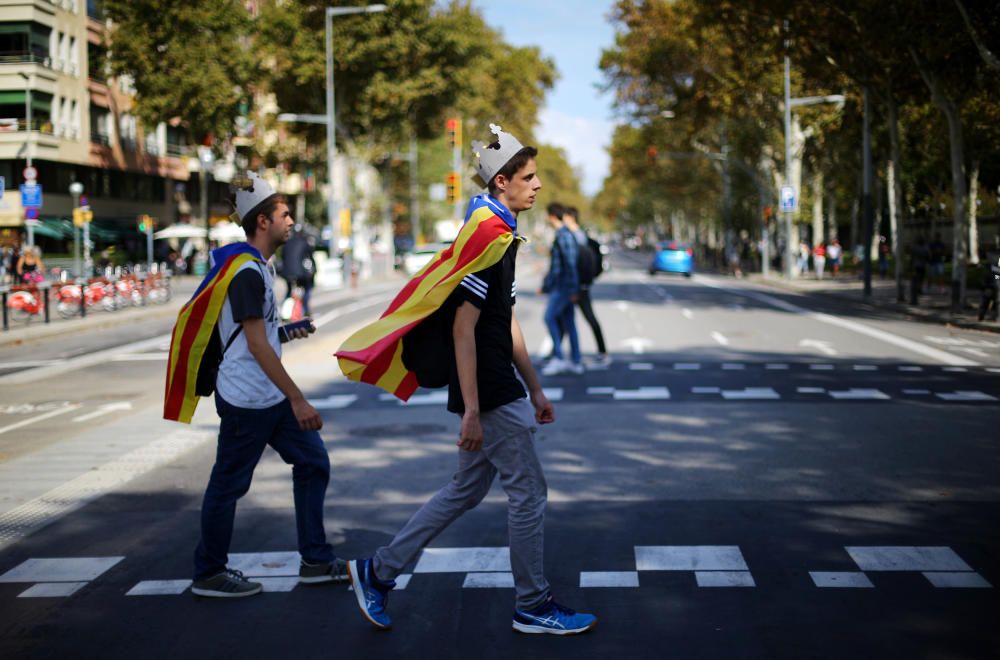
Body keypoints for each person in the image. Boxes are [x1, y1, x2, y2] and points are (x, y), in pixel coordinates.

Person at [339, 123, 597, 636]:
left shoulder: (499, 232)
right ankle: (532, 603)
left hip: (495, 381)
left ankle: (379, 570)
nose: (538, 185)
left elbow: (507, 319)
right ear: (501, 182)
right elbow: (464, 328)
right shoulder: (486, 237)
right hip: (488, 387)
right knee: (529, 492)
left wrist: (537, 386)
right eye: (528, 177)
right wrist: (475, 408)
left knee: (465, 489)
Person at [164, 171, 345, 597]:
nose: (290, 223)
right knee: (228, 484)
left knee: (313, 463)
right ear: (262, 222)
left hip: (265, 394)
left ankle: (315, 560)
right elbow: (254, 346)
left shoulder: (257, 268)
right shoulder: (246, 271)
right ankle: (208, 572)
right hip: (248, 398)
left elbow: (253, 336)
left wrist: (286, 330)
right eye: (284, 215)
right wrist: (298, 399)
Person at [540, 203, 583, 376]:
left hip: (563, 287)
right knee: (569, 323)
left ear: (551, 216)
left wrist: (573, 290)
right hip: (564, 286)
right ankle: (575, 361)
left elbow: (570, 264)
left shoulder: (563, 236)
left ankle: (559, 358)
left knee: (549, 318)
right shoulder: (564, 235)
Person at [562, 206, 609, 366]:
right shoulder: (582, 236)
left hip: (578, 286)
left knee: (563, 318)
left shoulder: (576, 237)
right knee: (563, 318)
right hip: (582, 285)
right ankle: (557, 354)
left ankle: (602, 351)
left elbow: (573, 263)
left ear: (569, 217)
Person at [280, 224, 315, 318]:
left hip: (286, 273)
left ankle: (284, 312)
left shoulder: (286, 243)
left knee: (289, 291)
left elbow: (283, 257)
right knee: (307, 289)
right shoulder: (305, 243)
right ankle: (306, 311)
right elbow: (309, 259)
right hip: (301, 273)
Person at [909, 236, 930, 305]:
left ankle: (918, 289)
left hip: (917, 265)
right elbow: (928, 256)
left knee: (918, 278)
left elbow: (912, 256)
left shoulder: (915, 247)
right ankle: (919, 289)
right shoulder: (925, 248)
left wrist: (910, 264)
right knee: (920, 278)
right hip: (921, 265)